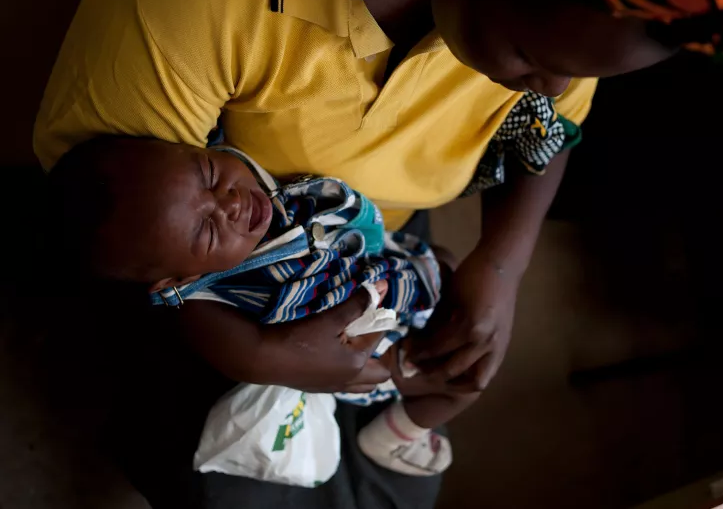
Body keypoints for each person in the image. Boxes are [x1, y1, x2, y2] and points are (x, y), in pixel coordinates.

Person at [34, 0, 723, 507]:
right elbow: (142, 242)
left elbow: (548, 131)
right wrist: (266, 359)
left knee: (414, 428)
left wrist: (501, 264)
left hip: (361, 238)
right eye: (532, 60)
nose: (552, 88)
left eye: (569, 70)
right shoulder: (196, 7)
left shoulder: (569, 25)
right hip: (235, 294)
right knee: (244, 473)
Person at [47, 135, 472, 477]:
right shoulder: (240, 297)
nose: (231, 202)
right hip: (371, 336)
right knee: (459, 380)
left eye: (209, 173)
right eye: (208, 233)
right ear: (180, 280)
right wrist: (386, 362)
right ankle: (397, 433)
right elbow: (328, 353)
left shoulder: (245, 178)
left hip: (375, 258)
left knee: (450, 263)